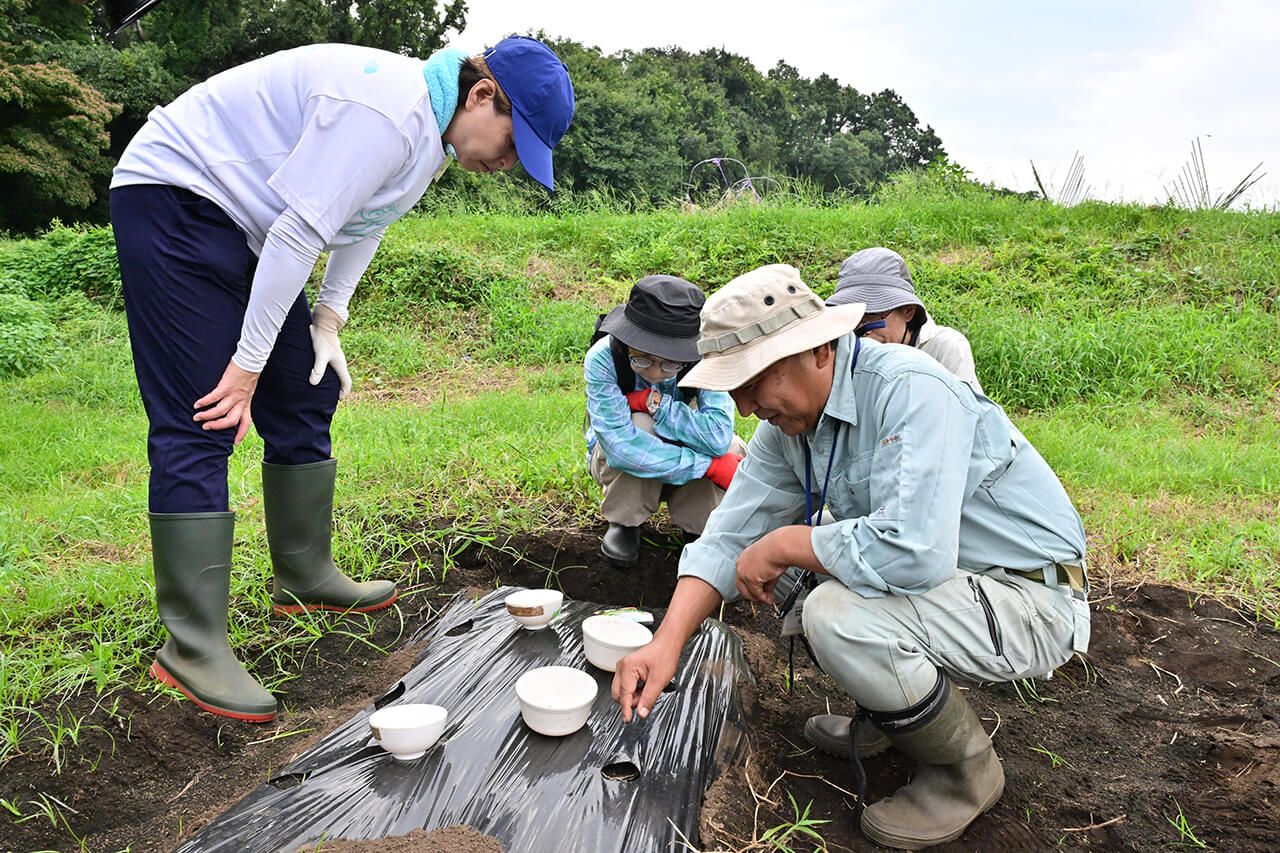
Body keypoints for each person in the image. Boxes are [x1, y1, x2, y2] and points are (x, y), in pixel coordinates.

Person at [110, 37, 575, 723]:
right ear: (483, 96)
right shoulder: (390, 111)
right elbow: (300, 233)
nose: (507, 164)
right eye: (512, 144)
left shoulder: (431, 134)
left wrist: (327, 319)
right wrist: (243, 368)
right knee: (204, 412)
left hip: (247, 223)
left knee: (306, 386)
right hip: (178, 196)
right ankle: (193, 643)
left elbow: (364, 219)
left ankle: (303, 574)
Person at [613, 264, 1089, 849]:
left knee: (832, 608)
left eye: (753, 382)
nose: (744, 408)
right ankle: (895, 718)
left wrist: (789, 542)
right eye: (732, 389)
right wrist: (666, 642)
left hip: (1029, 596)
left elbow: (914, 553)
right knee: (795, 577)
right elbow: (730, 536)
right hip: (957, 589)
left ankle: (965, 772)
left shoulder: (911, 389)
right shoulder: (790, 429)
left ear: (816, 351)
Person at [585, 275, 747, 566]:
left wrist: (656, 405)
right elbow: (621, 447)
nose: (656, 372)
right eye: (642, 358)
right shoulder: (603, 358)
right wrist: (707, 466)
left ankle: (699, 528)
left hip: (671, 446)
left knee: (729, 447)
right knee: (640, 426)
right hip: (616, 462)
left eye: (672, 363)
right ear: (626, 341)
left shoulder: (708, 357)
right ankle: (625, 521)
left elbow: (719, 435)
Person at [828, 247, 984, 394]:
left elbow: (966, 415)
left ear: (908, 311)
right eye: (853, 317)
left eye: (872, 315)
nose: (863, 330)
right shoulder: (839, 349)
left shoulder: (944, 348)